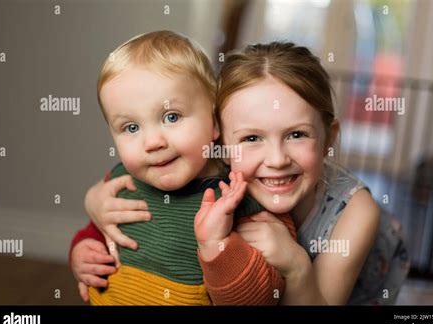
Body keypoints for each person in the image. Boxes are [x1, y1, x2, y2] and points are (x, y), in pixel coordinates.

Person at [76, 41, 409, 305]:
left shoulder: (356, 212)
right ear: (216, 133)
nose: (276, 159)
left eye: (297, 134)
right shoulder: (213, 167)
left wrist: (295, 266)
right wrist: (95, 202)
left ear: (329, 138)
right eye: (251, 138)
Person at [70, 31, 296, 305]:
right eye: (131, 127)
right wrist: (82, 252)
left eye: (171, 116)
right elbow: (97, 232)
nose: (152, 142)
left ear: (214, 123)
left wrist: (216, 245)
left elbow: (259, 299)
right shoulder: (121, 182)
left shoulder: (238, 195)